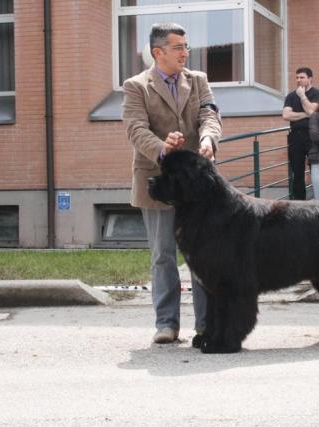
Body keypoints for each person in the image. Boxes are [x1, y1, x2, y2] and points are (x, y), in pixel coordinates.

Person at [121, 23, 222, 345]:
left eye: (186, 46)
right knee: (163, 256)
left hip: (196, 187)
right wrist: (163, 147)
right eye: (178, 47)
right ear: (158, 52)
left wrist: (208, 137)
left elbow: (210, 115)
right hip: (159, 182)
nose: (185, 53)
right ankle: (166, 324)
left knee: (202, 255)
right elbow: (135, 128)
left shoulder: (199, 80)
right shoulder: (136, 86)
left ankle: (207, 325)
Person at [282, 67, 319, 200]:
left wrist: (302, 96)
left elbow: (312, 112)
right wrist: (306, 114)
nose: (298, 80)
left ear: (310, 78)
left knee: (316, 170)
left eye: (302, 77)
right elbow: (286, 115)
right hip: (295, 137)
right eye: (297, 77)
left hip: (312, 136)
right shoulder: (291, 96)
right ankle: (299, 202)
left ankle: (318, 200)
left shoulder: (317, 94)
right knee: (297, 173)